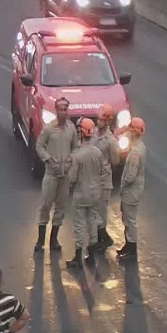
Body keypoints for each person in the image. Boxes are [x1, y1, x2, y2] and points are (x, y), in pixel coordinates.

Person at [34, 97, 78, 252]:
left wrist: (70, 160)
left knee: (61, 206)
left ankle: (54, 239)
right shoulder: (48, 129)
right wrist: (47, 159)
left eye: (66, 109)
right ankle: (40, 241)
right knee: (45, 205)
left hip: (64, 175)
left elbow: (76, 147)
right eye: (60, 109)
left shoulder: (71, 129)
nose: (63, 112)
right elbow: (39, 146)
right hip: (51, 174)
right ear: (56, 110)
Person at [67, 118, 106, 268]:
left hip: (81, 193)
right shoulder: (97, 152)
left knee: (79, 223)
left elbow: (72, 177)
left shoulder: (77, 155)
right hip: (95, 193)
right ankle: (92, 252)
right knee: (92, 220)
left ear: (81, 133)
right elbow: (102, 170)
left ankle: (78, 256)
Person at [90, 104, 120, 251]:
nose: (98, 121)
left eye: (101, 119)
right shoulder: (94, 134)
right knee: (94, 208)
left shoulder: (111, 141)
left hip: (104, 179)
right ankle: (99, 237)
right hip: (92, 178)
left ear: (108, 121)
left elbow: (115, 160)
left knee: (101, 209)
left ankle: (103, 238)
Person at [116, 117, 146, 261]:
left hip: (131, 191)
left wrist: (123, 186)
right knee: (127, 218)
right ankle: (128, 245)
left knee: (129, 220)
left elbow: (130, 176)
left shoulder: (135, 153)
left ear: (134, 132)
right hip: (134, 190)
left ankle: (131, 247)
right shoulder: (139, 147)